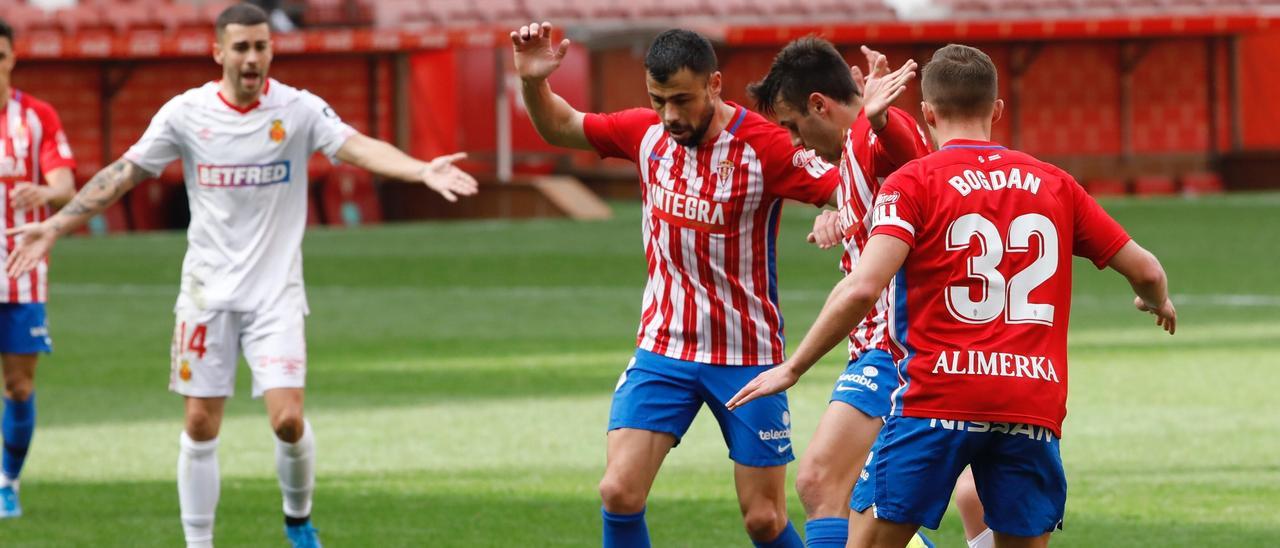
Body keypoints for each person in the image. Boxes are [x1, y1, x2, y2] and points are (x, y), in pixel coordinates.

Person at [4, 5, 477, 547]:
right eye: (241, 48)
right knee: (201, 425)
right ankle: (199, 543)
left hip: (275, 296)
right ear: (219, 52)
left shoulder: (297, 109)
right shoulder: (187, 113)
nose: (252, 58)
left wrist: (421, 169)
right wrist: (58, 225)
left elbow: (356, 146)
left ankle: (298, 520)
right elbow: (124, 172)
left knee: (287, 422)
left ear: (270, 50)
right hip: (205, 296)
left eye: (260, 47)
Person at [727, 44, 1176, 548]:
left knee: (852, 518)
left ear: (928, 112)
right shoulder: (1056, 184)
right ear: (998, 109)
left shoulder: (914, 180)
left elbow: (863, 287)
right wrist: (1156, 300)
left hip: (939, 395)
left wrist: (792, 368)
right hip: (1030, 403)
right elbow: (1147, 269)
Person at [512, 21, 910, 547]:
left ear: (714, 85)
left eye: (683, 99)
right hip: (664, 348)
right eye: (659, 101)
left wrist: (835, 213)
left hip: (748, 353)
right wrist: (535, 83)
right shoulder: (644, 133)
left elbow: (851, 182)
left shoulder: (765, 146)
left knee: (764, 519)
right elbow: (562, 126)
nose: (671, 115)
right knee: (618, 491)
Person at [747, 37, 966, 548]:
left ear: (820, 105)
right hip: (886, 347)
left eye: (794, 126)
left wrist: (883, 119)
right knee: (864, 511)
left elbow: (911, 161)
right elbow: (884, 208)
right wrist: (837, 219)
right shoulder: (850, 148)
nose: (796, 143)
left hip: (896, 348)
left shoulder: (875, 129)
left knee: (821, 480)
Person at [0, 17, 78, 520]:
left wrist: (44, 192)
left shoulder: (37, 116)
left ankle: (7, 482)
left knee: (21, 385)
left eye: (0, 56)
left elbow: (67, 188)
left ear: (12, 59)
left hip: (21, 267)